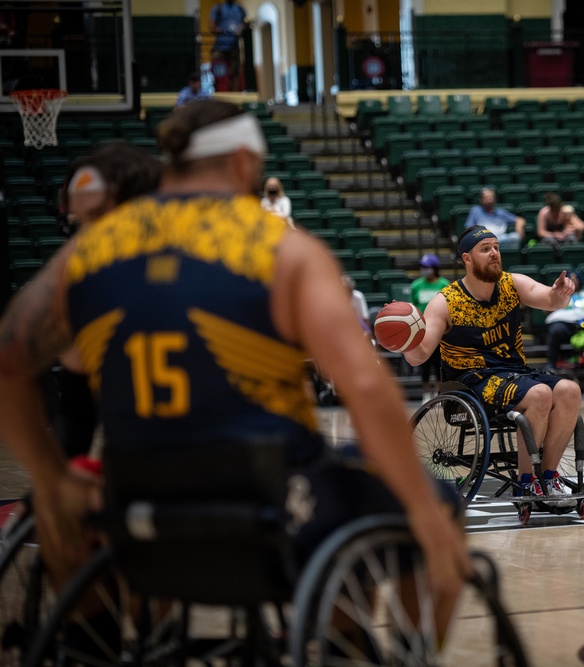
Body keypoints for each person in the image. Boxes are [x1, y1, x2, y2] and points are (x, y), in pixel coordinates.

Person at [0, 99, 469, 615]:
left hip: (134, 499)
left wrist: (50, 478)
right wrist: (422, 511)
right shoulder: (282, 248)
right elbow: (364, 382)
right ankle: (360, 645)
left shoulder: (88, 251)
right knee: (432, 503)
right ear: (244, 160)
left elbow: (9, 363)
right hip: (266, 500)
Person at [402, 225, 579, 500]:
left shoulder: (512, 284)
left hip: (515, 374)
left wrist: (560, 294)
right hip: (472, 382)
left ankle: (548, 476)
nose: (494, 253)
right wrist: (405, 342)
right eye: (485, 249)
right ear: (467, 259)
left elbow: (548, 299)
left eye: (496, 247)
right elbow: (421, 354)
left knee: (570, 390)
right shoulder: (445, 302)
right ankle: (526, 481)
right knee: (541, 394)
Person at [50, 143, 163, 459]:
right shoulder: (84, 283)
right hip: (137, 471)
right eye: (78, 222)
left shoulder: (209, 265)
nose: (86, 236)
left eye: (98, 217)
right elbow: (75, 413)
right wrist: (54, 480)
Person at [409, 253, 450, 402]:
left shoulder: (444, 284)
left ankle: (439, 394)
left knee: (439, 364)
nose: (424, 270)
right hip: (422, 330)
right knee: (424, 365)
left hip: (441, 332)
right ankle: (426, 394)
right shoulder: (416, 285)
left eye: (426, 267)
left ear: (434, 268)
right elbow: (412, 307)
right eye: (422, 267)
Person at [543, 271, 584, 371]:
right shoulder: (560, 293)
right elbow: (546, 308)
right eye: (571, 278)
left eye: (576, 278)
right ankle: (551, 363)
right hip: (563, 324)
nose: (573, 280)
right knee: (555, 330)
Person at [208, 0, 247, 92]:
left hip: (234, 47)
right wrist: (219, 30)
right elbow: (211, 25)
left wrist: (240, 29)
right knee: (219, 74)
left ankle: (233, 92)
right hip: (220, 47)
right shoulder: (218, 8)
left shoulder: (240, 9)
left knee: (235, 73)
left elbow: (245, 23)